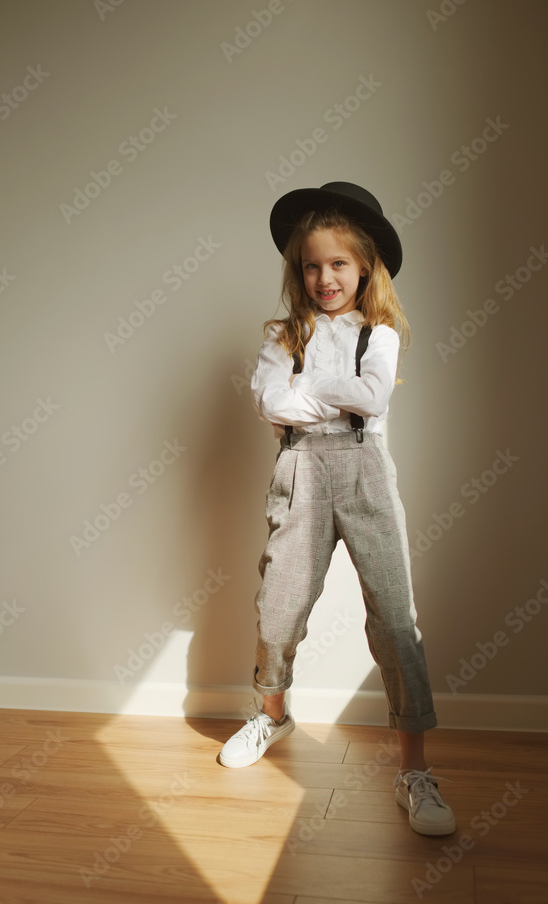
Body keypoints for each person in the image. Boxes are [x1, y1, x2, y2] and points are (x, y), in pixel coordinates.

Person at [219, 181, 455, 837]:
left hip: (363, 470)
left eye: (338, 264)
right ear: (298, 271)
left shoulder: (380, 334)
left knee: (395, 618)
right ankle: (272, 714)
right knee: (279, 606)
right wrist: (331, 391)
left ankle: (414, 769)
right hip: (298, 469)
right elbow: (270, 403)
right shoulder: (281, 336)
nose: (324, 278)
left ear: (365, 266)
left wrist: (308, 387)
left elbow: (372, 398)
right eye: (311, 266)